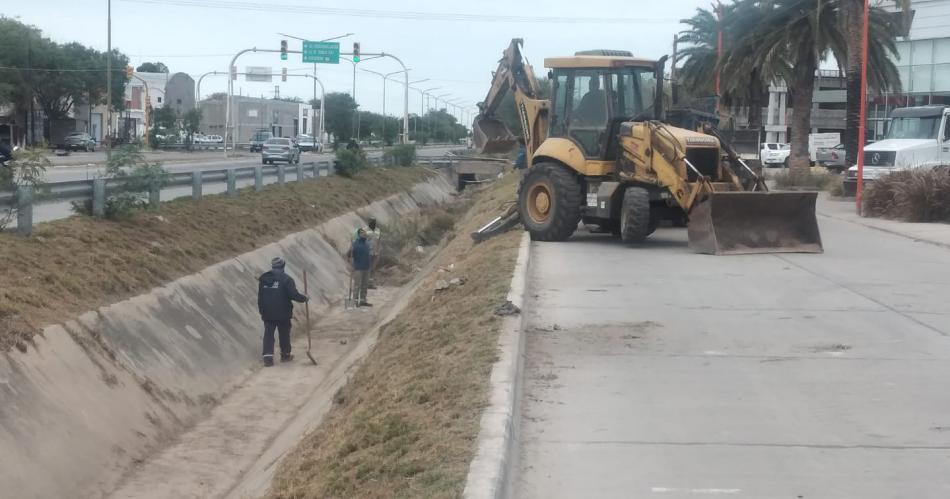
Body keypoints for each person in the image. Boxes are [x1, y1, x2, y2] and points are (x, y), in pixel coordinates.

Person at [257, 257, 308, 366]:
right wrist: (305, 298)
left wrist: (262, 312)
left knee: (268, 334)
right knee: (284, 333)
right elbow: (294, 295)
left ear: (272, 266)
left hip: (267, 313)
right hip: (283, 312)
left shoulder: (264, 279)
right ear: (283, 266)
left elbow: (260, 298)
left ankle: (268, 358)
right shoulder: (286, 279)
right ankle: (285, 355)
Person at [349, 228, 372, 307]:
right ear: (358, 235)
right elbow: (350, 255)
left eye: (364, 233)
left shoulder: (367, 244)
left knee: (365, 285)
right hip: (358, 268)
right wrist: (351, 264)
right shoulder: (355, 244)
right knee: (357, 285)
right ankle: (354, 301)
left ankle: (363, 300)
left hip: (366, 267)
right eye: (362, 233)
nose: (364, 234)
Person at [364, 217, 382, 288]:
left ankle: (371, 284)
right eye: (371, 222)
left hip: (375, 252)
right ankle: (365, 283)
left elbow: (379, 241)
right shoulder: (365, 230)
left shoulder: (378, 230)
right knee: (367, 268)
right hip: (367, 252)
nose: (372, 223)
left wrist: (379, 251)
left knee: (373, 268)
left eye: (373, 222)